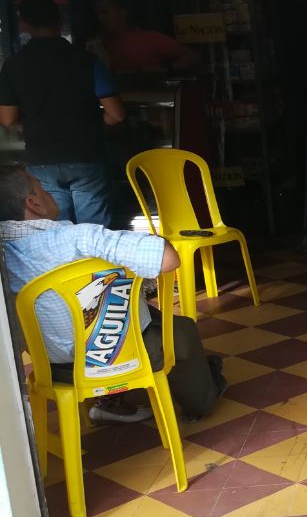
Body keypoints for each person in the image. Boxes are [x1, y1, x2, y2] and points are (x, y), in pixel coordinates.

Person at [0, 165, 226, 424]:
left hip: (54, 365)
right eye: (43, 188)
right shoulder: (78, 238)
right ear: (33, 203)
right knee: (181, 330)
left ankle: (110, 402)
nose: (50, 193)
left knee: (134, 312)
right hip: (112, 355)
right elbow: (168, 259)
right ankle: (202, 402)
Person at [0, 0, 125, 227]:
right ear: (59, 20)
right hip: (85, 155)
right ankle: (95, 265)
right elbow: (116, 114)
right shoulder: (88, 61)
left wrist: (36, 124)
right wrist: (96, 125)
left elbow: (7, 119)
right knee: (93, 233)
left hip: (42, 158)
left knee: (57, 229)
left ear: (24, 24)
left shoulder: (13, 66)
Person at [93, 0, 200, 75]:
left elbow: (193, 56)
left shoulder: (149, 39)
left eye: (105, 12)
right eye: (97, 14)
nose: (100, 18)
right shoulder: (98, 44)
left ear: (122, 13)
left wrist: (166, 69)